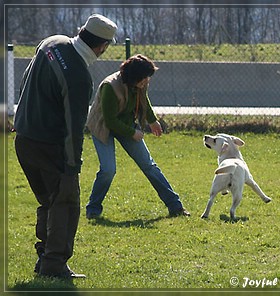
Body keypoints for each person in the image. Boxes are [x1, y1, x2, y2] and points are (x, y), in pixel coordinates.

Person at [13, 14, 117, 279]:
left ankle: (44, 256)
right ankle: (54, 264)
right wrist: (72, 166)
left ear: (82, 31)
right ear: (101, 46)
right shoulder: (80, 77)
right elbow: (73, 128)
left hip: (23, 139)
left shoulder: (52, 43)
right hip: (50, 146)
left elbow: (26, 79)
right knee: (66, 204)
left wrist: (21, 119)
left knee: (48, 201)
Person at [86, 54, 190, 219]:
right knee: (108, 170)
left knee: (149, 166)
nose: (146, 82)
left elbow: (143, 99)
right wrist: (132, 133)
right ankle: (93, 210)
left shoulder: (141, 82)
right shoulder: (110, 87)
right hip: (103, 126)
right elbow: (110, 120)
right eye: (143, 80)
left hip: (126, 123)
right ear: (133, 78)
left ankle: (175, 206)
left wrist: (152, 120)